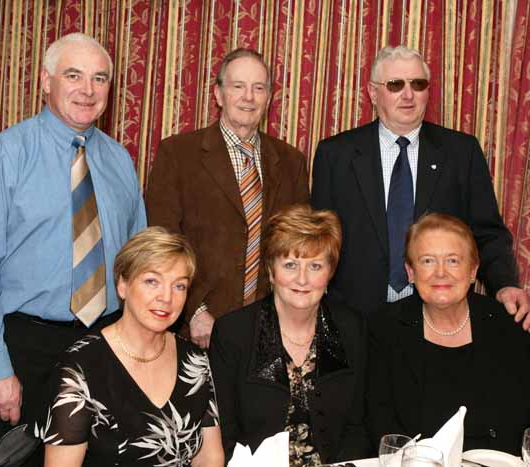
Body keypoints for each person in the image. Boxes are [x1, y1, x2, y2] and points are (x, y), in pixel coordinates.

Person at [0, 33, 146, 466]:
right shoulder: (3, 156)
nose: (87, 90)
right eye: (73, 75)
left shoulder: (120, 161)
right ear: (45, 81)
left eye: (100, 79)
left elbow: (138, 262)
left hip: (103, 344)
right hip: (23, 347)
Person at [311, 45, 529, 329]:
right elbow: (318, 239)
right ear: (373, 93)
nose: (408, 94)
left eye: (418, 84)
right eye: (395, 85)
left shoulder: (461, 152)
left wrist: (504, 285)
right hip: (353, 319)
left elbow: (486, 233)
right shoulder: (336, 154)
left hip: (438, 319)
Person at [146, 48, 310, 348]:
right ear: (218, 94)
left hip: (269, 328)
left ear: (268, 98)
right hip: (198, 328)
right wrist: (193, 311)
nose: (248, 97)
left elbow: (299, 247)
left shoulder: (291, 162)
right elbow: (163, 241)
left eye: (258, 88)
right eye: (238, 86)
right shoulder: (178, 154)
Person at [40, 227, 224, 467]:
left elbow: (210, 458)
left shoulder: (195, 361)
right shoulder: (81, 367)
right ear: (122, 285)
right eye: (152, 281)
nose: (166, 297)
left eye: (179, 286)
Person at [209, 204, 369, 465]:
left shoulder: (352, 328)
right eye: (291, 265)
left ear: (330, 273)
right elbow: (225, 435)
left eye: (315, 266)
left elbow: (358, 426)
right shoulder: (233, 334)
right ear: (271, 271)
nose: (302, 279)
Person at [366, 213, 530, 454]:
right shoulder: (384, 329)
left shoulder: (509, 324)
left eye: (453, 260)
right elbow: (381, 426)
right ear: (410, 272)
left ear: (473, 271)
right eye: (428, 261)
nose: (441, 273)